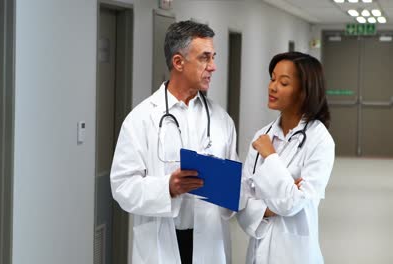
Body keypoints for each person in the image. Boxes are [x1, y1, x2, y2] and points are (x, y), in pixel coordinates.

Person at [110, 20, 238, 264]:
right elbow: (122, 187)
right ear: (178, 62)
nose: (213, 67)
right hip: (162, 242)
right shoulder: (141, 118)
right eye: (204, 58)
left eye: (213, 57)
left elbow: (235, 185)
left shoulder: (221, 119)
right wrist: (168, 187)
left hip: (209, 241)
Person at [236, 51, 335, 264]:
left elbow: (293, 204)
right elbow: (242, 199)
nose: (272, 87)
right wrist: (274, 205)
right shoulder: (263, 136)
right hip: (258, 249)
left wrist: (270, 156)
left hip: (295, 253)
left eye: (283, 83)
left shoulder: (319, 140)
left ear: (303, 92)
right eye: (272, 79)